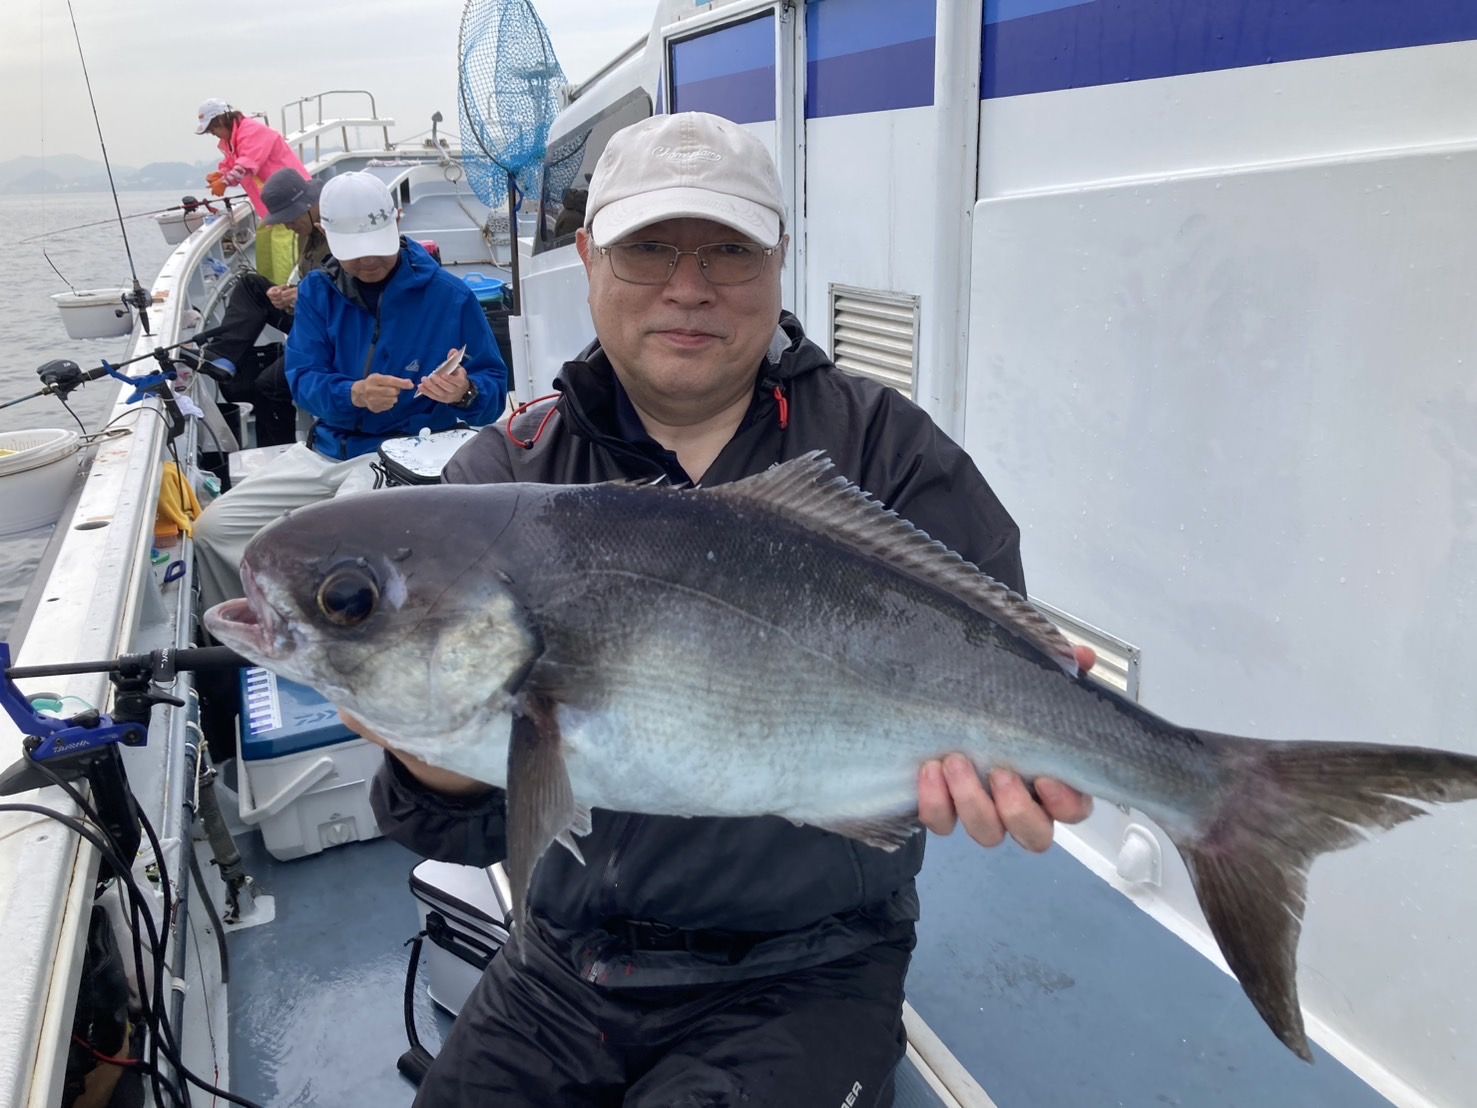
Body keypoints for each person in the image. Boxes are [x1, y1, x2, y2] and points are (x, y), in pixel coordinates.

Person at [360, 112, 1094, 1108]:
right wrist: (432, 755)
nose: (689, 286)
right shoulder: (505, 481)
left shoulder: (887, 454)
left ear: (778, 258)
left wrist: (1027, 736)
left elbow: (993, 661)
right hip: (564, 965)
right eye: (649, 248)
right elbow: (462, 835)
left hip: (813, 968)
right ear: (589, 257)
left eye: (729, 250)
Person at [193, 170, 510, 610]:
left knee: (341, 548)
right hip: (324, 450)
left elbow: (493, 392)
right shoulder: (317, 292)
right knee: (214, 530)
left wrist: (465, 393)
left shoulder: (451, 297)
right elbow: (303, 381)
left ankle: (329, 636)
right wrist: (354, 394)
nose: (368, 261)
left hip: (401, 456)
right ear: (326, 235)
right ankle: (256, 632)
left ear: (396, 223)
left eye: (377, 247)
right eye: (354, 253)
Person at [199, 168, 329, 446]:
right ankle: (222, 358)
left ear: (307, 206)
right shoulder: (305, 230)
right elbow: (309, 280)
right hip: (309, 313)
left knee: (268, 386)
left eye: (289, 218)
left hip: (330, 329)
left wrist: (303, 296)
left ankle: (278, 452)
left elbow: (349, 292)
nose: (287, 226)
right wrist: (287, 293)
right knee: (250, 284)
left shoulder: (337, 232)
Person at [195, 98, 311, 284]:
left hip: (291, 199)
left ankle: (287, 290)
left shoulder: (251, 131)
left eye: (212, 128)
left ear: (221, 120)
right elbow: (233, 163)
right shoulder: (232, 139)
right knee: (264, 240)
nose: (212, 133)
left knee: (283, 245)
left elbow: (247, 164)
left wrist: (224, 181)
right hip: (272, 204)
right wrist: (221, 174)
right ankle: (267, 288)